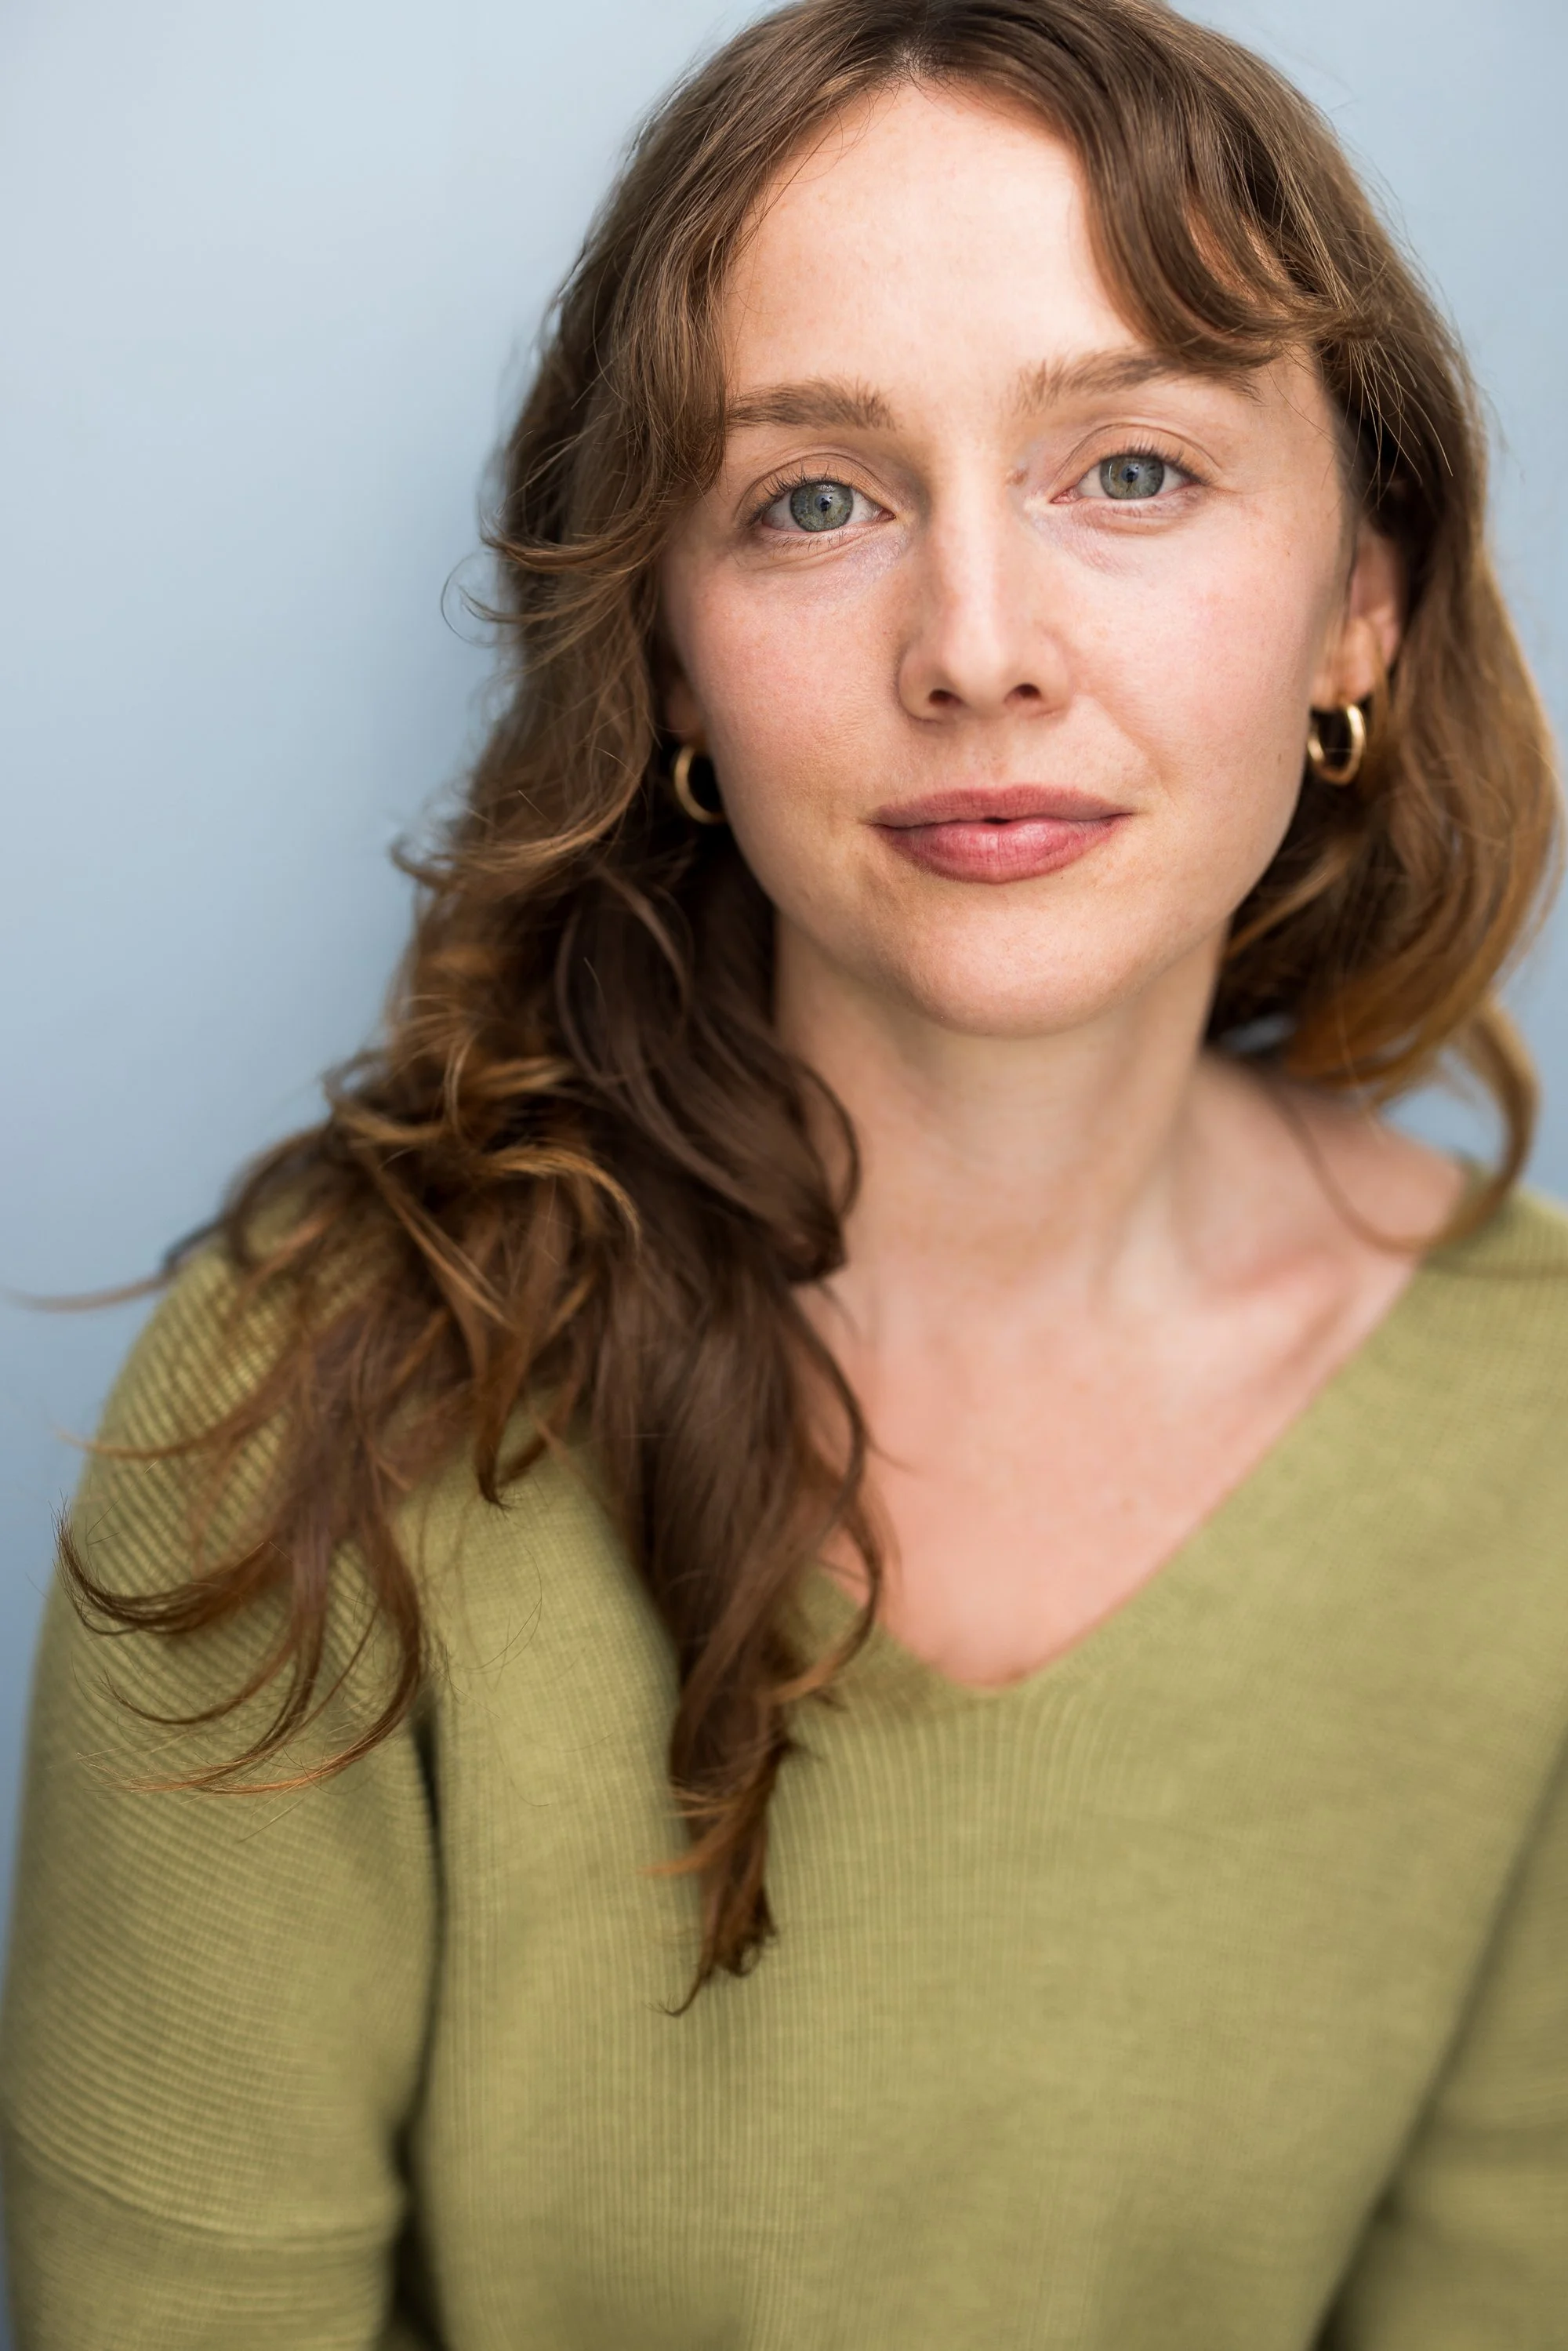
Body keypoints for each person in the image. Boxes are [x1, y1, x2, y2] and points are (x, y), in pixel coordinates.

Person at [2, 0, 1564, 2342]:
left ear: (1364, 599)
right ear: (667, 654)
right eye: (814, 498)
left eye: (1128, 468)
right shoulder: (306, 1403)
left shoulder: (1537, 1433)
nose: (977, 649)